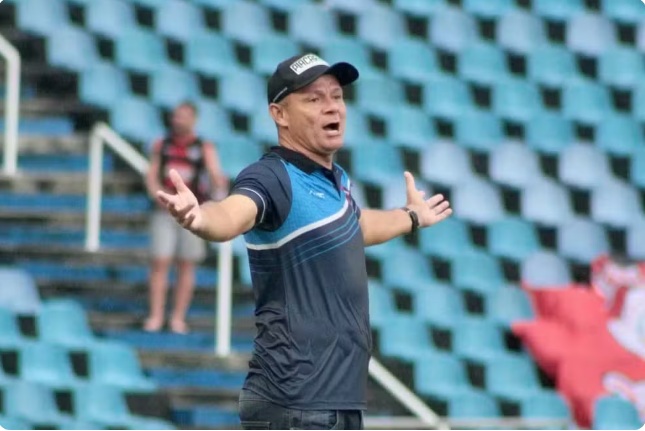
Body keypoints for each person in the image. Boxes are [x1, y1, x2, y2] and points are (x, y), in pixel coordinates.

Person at [156, 54, 452, 429]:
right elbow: (231, 213)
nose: (332, 107)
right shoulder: (272, 177)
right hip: (295, 402)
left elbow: (355, 226)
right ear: (279, 114)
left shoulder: (335, 181)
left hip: (337, 401)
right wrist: (199, 217)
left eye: (337, 96)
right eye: (314, 99)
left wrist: (411, 217)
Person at [144, 101, 227, 334]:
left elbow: (215, 175)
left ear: (194, 119)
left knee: (186, 264)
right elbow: (151, 177)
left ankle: (178, 317)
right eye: (176, 116)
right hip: (164, 210)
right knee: (160, 262)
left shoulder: (204, 147)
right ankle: (156, 315)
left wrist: (218, 189)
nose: (178, 120)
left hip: (192, 212)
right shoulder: (162, 145)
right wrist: (162, 197)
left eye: (184, 116)